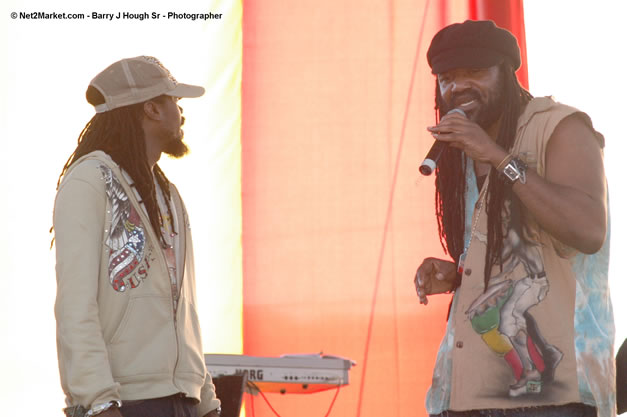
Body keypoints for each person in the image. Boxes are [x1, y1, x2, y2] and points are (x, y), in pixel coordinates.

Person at [413, 20, 615, 417]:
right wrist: (459, 275)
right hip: (470, 388)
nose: (458, 87)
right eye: (447, 78)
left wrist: (499, 157)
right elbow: (520, 254)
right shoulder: (465, 152)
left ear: (507, 73)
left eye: (475, 72)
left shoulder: (561, 127)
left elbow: (588, 231)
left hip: (553, 393)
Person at [53, 56, 221, 417]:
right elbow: (75, 306)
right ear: (151, 109)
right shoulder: (89, 181)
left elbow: (182, 310)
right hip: (124, 402)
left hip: (183, 399)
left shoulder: (168, 193)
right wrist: (98, 401)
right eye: (174, 101)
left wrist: (206, 400)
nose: (181, 112)